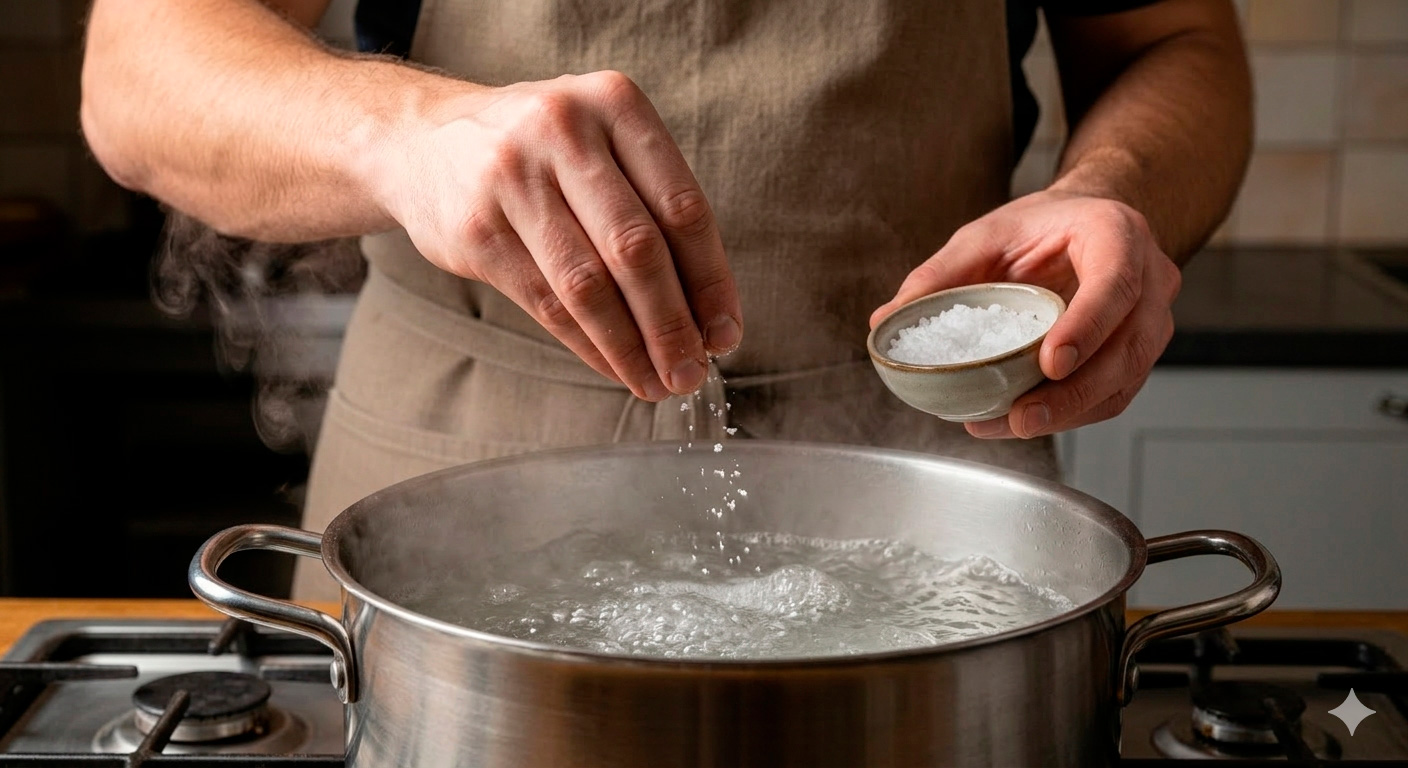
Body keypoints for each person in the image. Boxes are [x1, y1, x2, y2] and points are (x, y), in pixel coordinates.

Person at [80, 0, 1251, 600]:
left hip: (921, 465)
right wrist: (399, 133)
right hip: (454, 450)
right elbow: (137, 65)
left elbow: (1176, 39)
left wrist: (1115, 191)